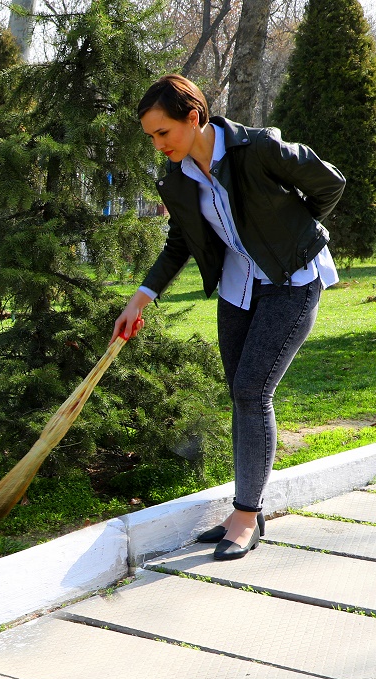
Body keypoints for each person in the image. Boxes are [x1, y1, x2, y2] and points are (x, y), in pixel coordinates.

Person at [114, 75, 345, 561]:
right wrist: (141, 298)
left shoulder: (257, 148)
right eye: (151, 137)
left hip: (292, 280)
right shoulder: (179, 179)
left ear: (194, 117)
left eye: (163, 133)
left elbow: (329, 183)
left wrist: (295, 232)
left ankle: (245, 516)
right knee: (241, 394)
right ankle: (247, 508)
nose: (158, 145)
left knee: (251, 390)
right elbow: (179, 242)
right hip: (239, 288)